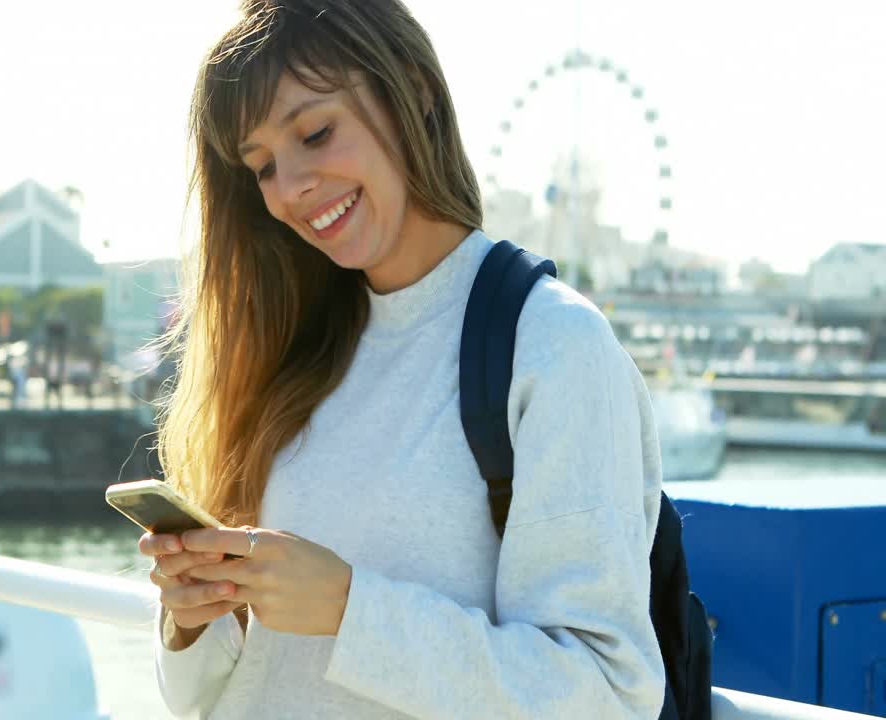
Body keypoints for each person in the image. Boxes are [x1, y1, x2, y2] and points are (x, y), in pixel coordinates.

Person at [136, 1, 666, 718]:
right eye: (260, 167)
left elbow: (607, 695)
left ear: (413, 92)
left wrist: (352, 610)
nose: (290, 189)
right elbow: (211, 699)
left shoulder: (552, 345)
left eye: (316, 132)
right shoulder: (291, 351)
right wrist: (193, 619)